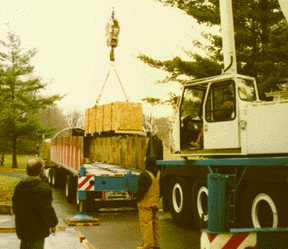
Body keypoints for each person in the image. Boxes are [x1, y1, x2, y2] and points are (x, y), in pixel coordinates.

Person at [12, 157, 58, 249]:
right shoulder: (43, 189)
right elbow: (46, 211)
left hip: (23, 231)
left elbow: (15, 208)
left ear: (26, 170)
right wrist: (53, 224)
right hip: (37, 233)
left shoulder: (19, 187)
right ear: (41, 171)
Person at [136, 155, 164, 249]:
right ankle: (156, 244)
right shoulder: (160, 173)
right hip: (156, 202)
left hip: (145, 203)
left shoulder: (144, 174)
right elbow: (163, 188)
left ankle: (148, 245)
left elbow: (140, 190)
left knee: (146, 224)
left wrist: (138, 200)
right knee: (156, 224)